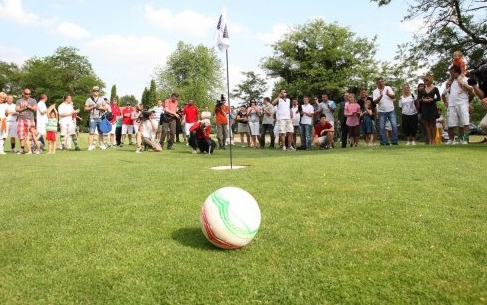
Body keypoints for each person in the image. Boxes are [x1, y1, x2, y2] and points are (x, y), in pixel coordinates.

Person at [442, 65, 474, 144]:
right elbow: (444, 93)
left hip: (463, 104)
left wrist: (467, 102)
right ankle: (458, 139)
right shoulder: (451, 82)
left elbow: (472, 92)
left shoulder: (465, 79)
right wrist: (446, 102)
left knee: (465, 122)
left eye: (452, 73)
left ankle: (465, 139)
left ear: (457, 72)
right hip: (452, 105)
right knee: (453, 124)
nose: (451, 74)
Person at [373, 77, 398, 145]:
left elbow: (393, 96)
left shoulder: (388, 88)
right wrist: (380, 96)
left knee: (394, 126)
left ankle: (394, 141)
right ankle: (384, 142)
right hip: (381, 111)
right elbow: (375, 102)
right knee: (381, 128)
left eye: (381, 81)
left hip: (391, 110)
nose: (380, 83)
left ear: (383, 82)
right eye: (379, 82)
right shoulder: (375, 91)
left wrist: (388, 94)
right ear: (377, 83)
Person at [418, 75, 440, 145]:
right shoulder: (423, 90)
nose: (425, 81)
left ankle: (434, 140)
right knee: (427, 124)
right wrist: (423, 100)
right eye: (424, 80)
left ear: (430, 80)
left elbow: (439, 98)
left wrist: (432, 99)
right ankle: (430, 140)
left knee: (433, 124)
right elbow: (419, 99)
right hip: (425, 108)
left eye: (426, 80)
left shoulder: (435, 88)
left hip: (432, 107)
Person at [84, 86, 108, 150]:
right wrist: (92, 106)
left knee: (101, 132)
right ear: (92, 92)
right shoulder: (89, 99)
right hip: (92, 118)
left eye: (97, 91)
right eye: (95, 91)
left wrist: (100, 107)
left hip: (100, 118)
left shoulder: (101, 99)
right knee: (91, 132)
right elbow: (85, 108)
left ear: (99, 92)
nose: (96, 92)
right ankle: (90, 146)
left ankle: (101, 145)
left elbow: (105, 108)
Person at [15, 88, 38, 154]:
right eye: (26, 94)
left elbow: (35, 109)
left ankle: (31, 149)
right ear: (23, 94)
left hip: (30, 119)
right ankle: (22, 149)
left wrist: (28, 106)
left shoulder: (33, 100)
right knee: (21, 134)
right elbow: (16, 109)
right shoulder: (19, 100)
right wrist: (24, 108)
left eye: (29, 94)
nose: (28, 95)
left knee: (31, 134)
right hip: (21, 119)